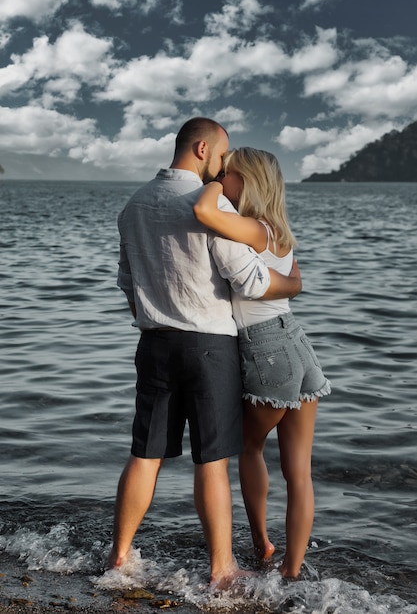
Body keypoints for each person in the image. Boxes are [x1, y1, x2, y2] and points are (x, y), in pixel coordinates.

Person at [109, 118, 302, 589]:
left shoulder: (134, 206)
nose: (223, 168)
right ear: (201, 148)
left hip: (153, 343)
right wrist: (293, 283)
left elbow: (127, 282)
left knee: (145, 455)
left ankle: (118, 557)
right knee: (211, 461)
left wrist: (154, 314)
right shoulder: (208, 206)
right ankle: (221, 570)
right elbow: (252, 282)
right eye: (221, 156)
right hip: (210, 346)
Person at [193, 146, 331, 579]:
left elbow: (201, 209)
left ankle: (260, 542)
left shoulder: (252, 228)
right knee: (300, 474)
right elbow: (294, 284)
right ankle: (292, 571)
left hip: (268, 348)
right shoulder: (280, 232)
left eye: (230, 173)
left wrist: (209, 179)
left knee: (249, 448)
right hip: (299, 346)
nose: (222, 179)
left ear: (246, 180)